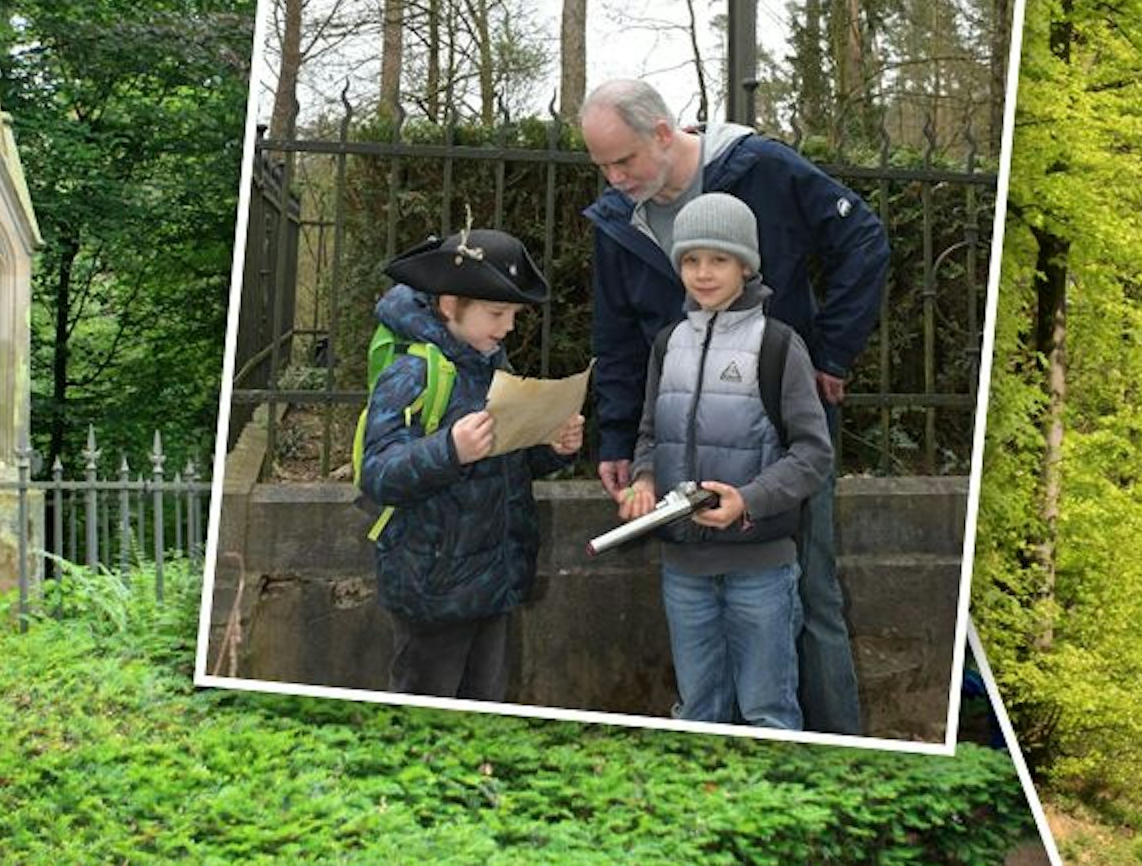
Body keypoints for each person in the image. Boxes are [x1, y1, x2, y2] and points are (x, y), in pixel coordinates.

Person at [580, 77, 889, 736]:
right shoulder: (616, 220)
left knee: (809, 589)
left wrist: (829, 354)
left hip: (777, 421)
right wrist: (617, 442)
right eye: (601, 165)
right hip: (678, 435)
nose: (613, 178)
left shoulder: (763, 168)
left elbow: (861, 239)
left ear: (664, 134)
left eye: (624, 160)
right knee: (698, 596)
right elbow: (616, 340)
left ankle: (838, 747)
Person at [622, 193, 832, 729]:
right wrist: (644, 479)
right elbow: (649, 434)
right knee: (697, 714)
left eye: (718, 259)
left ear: (746, 265)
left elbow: (813, 454)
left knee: (769, 715)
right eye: (691, 260)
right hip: (683, 572)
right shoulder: (667, 345)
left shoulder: (780, 347)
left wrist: (750, 500)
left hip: (760, 570)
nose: (703, 273)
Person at [356, 228, 585, 701]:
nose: (508, 328)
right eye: (497, 314)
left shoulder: (487, 362)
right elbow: (378, 475)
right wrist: (448, 451)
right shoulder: (413, 371)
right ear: (449, 304)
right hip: (433, 591)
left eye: (514, 316)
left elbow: (505, 460)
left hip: (491, 583)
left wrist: (552, 445)